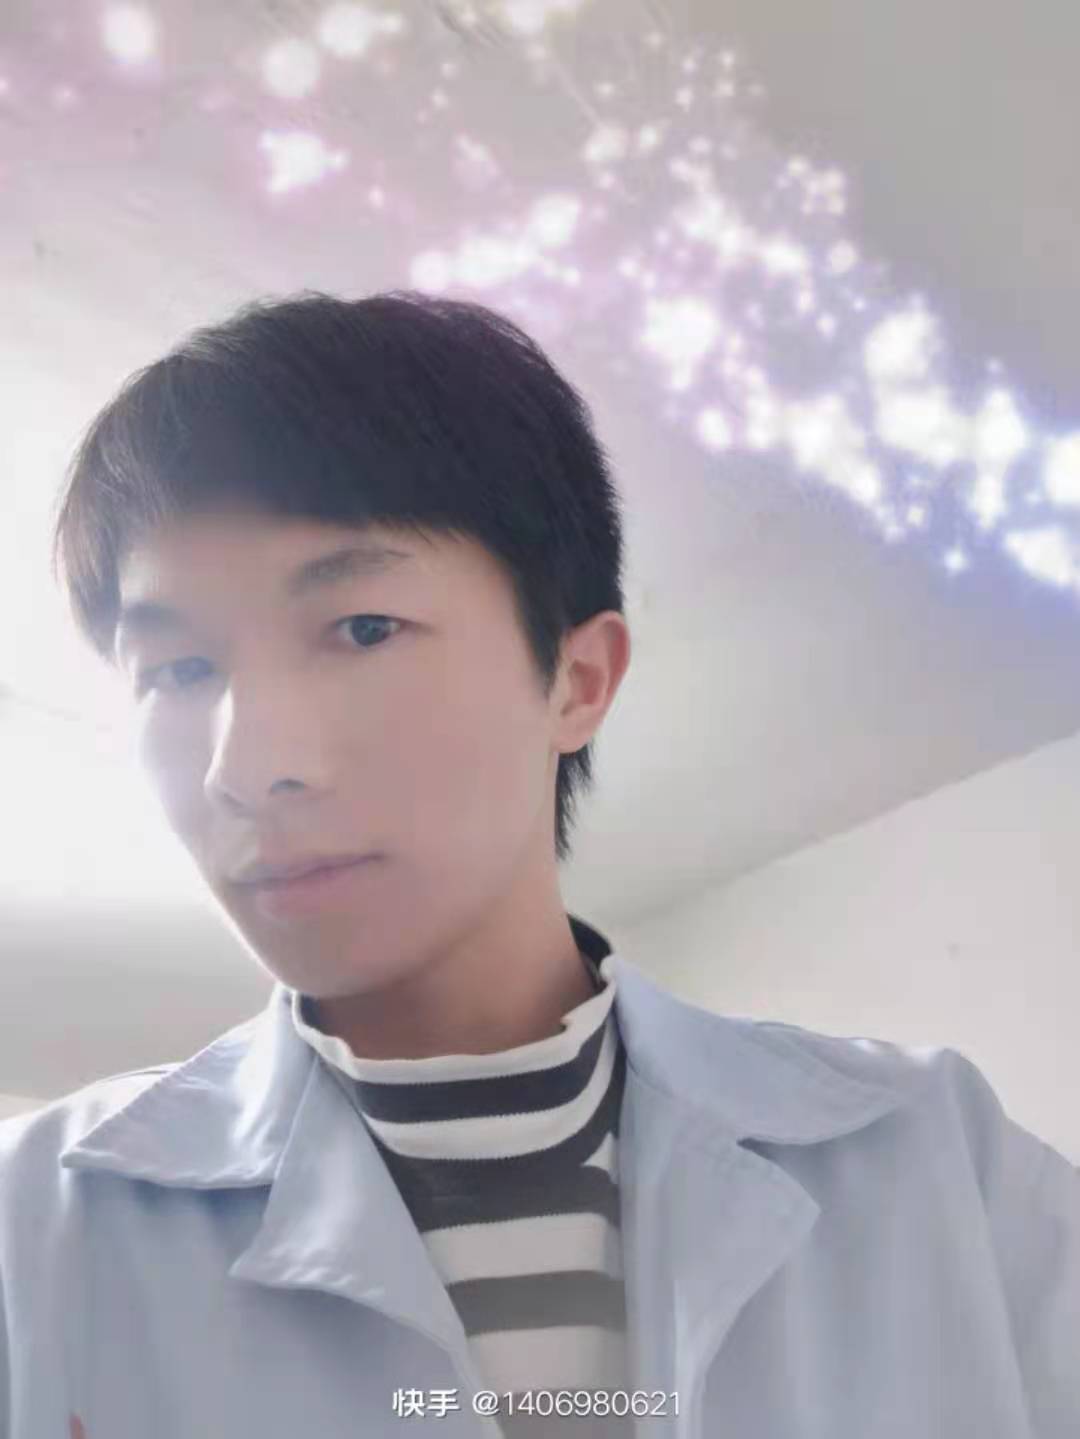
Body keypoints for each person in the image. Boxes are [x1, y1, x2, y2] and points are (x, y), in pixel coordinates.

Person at [1, 290, 1076, 1438]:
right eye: (177, 670)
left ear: (576, 679)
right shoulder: (38, 1227)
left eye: (362, 628)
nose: (248, 765)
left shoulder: (942, 1168)